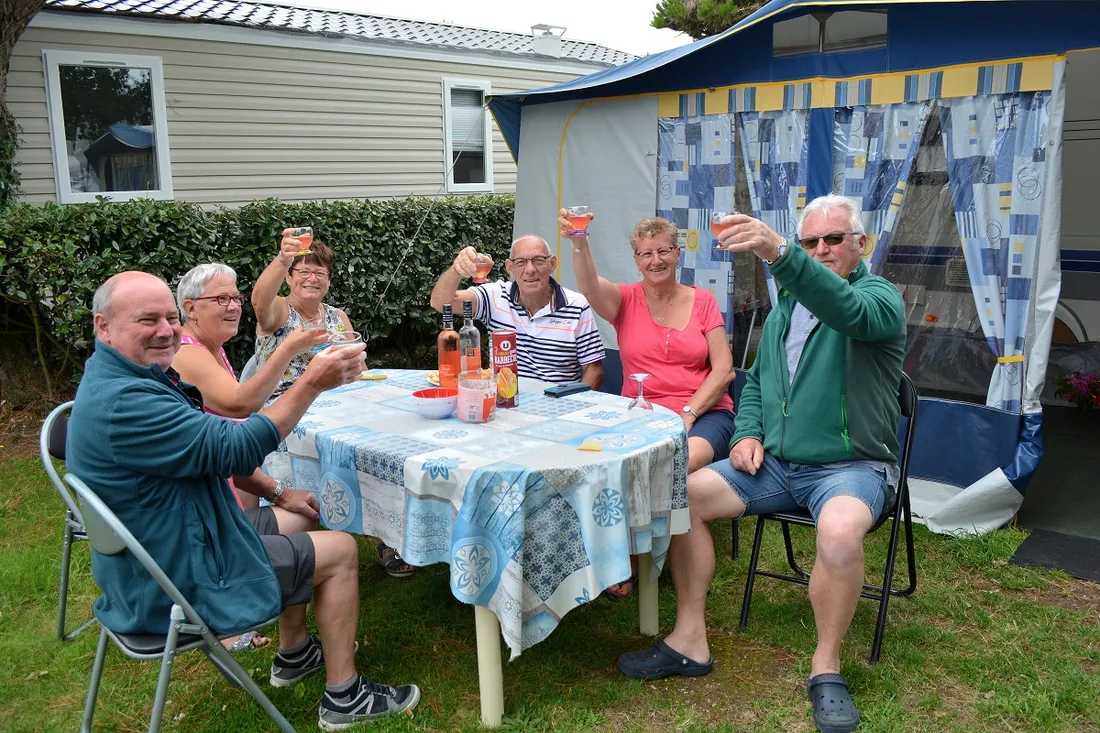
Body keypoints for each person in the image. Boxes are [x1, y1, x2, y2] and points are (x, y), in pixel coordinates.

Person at [68, 271, 420, 728]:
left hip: (165, 543)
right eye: (146, 320)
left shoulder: (119, 378)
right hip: (172, 580)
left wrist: (280, 491)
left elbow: (208, 453)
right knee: (342, 549)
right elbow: (235, 446)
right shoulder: (128, 403)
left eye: (170, 318)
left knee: (300, 516)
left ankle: (294, 654)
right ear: (103, 326)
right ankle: (345, 697)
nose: (165, 330)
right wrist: (310, 382)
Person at [616, 195, 906, 733]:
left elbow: (847, 310)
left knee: (840, 533)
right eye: (811, 241)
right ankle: (689, 640)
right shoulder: (787, 309)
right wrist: (748, 432)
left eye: (833, 240)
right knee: (682, 495)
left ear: (859, 245)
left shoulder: (880, 297)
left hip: (851, 467)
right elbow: (756, 383)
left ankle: (826, 668)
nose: (822, 250)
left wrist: (780, 252)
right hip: (777, 466)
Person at [561, 211, 736, 597]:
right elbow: (588, 284)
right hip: (639, 412)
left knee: (674, 462)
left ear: (677, 255)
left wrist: (687, 413)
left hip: (704, 414)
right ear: (636, 261)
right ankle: (617, 553)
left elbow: (723, 371)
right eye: (645, 254)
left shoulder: (703, 301)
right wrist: (579, 239)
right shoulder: (624, 300)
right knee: (604, 462)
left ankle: (640, 559)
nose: (655, 260)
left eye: (663, 251)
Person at [251, 230, 410, 578]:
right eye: (303, 271)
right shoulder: (279, 313)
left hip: (344, 407)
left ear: (328, 279)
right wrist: (283, 258)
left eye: (319, 272)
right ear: (289, 278)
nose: (312, 278)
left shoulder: (337, 317)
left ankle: (387, 532)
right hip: (290, 412)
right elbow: (260, 300)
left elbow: (359, 368)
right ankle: (297, 542)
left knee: (386, 443)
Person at [172, 263, 329, 511]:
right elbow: (241, 404)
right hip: (206, 502)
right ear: (191, 308)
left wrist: (279, 493)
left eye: (236, 298)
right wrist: (288, 349)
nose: (235, 306)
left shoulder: (212, 347)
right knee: (321, 530)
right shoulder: (186, 351)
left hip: (224, 477)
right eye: (222, 299)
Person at [429, 235, 605, 389]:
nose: (530, 270)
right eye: (521, 262)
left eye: (538, 260)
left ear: (552, 264)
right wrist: (457, 269)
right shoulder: (495, 297)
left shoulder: (576, 306)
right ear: (509, 268)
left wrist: (574, 405)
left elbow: (594, 370)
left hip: (556, 405)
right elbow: (440, 303)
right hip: (503, 401)